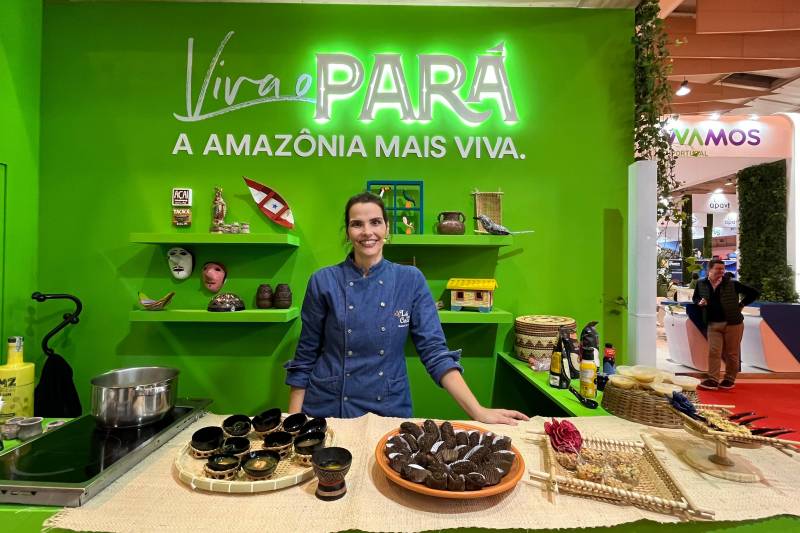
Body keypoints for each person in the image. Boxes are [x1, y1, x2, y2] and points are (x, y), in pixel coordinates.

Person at [284, 192, 529, 425]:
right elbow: (306, 355)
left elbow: (434, 352)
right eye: (357, 224)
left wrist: (477, 411)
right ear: (348, 232)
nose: (367, 232)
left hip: (388, 406)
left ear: (387, 228)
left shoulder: (410, 279)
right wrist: (293, 422)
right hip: (330, 405)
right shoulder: (324, 280)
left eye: (375, 222)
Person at [692, 259, 759, 390]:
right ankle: (713, 380)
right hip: (713, 324)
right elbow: (695, 297)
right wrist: (699, 302)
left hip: (733, 324)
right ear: (709, 270)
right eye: (718, 269)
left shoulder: (732, 284)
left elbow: (754, 293)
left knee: (732, 353)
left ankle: (729, 379)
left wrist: (742, 304)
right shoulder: (700, 283)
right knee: (714, 352)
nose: (721, 271)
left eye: (723, 269)